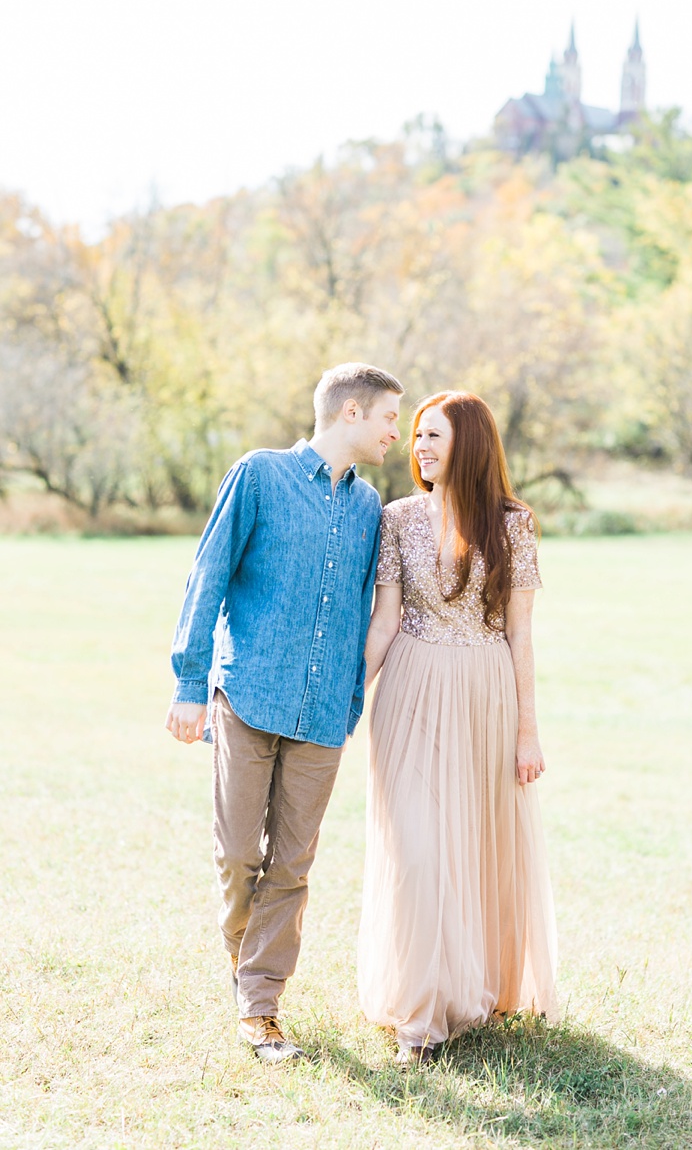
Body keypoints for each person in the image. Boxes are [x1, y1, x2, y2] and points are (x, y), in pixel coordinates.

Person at [166, 362, 403, 1063]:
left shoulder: (370, 509)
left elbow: (368, 606)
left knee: (292, 865)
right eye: (390, 416)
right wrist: (188, 681)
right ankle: (251, 978)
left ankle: (260, 1006)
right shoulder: (258, 475)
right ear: (351, 411)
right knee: (240, 854)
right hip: (247, 695)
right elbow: (206, 575)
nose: (396, 430)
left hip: (324, 713)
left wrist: (352, 697)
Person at [358, 390, 557, 1065]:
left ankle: (471, 987)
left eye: (433, 435)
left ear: (467, 443)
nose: (418, 446)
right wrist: (348, 696)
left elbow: (521, 633)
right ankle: (420, 1016)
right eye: (414, 434)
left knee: (472, 844)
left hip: (484, 693)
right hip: (410, 690)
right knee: (417, 848)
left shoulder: (512, 523)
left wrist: (527, 731)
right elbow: (384, 620)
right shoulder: (395, 518)